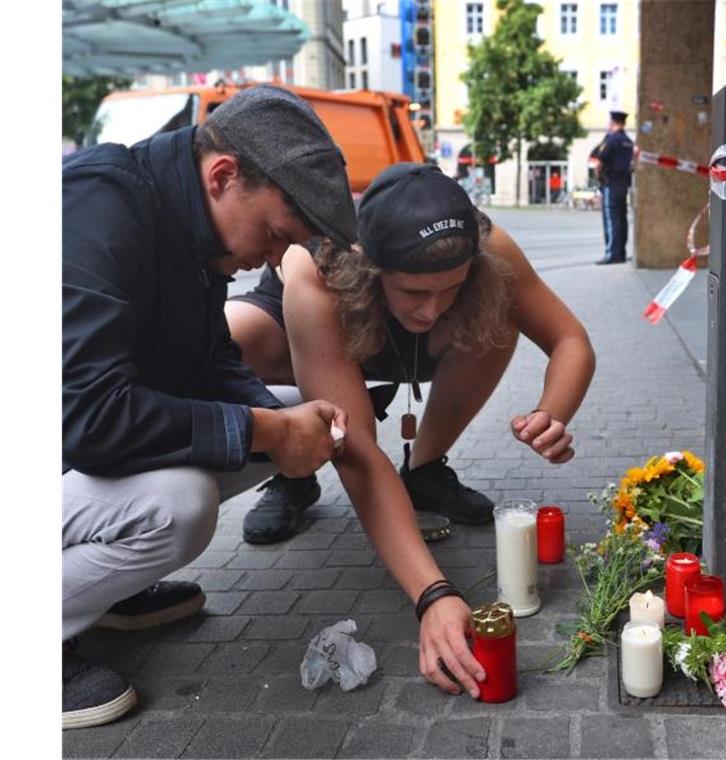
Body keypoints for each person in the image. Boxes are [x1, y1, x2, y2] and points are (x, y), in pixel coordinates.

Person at [63, 85, 351, 729]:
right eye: (278, 234)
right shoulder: (95, 208)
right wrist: (264, 429)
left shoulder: (188, 225)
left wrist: (280, 427)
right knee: (180, 507)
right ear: (222, 176)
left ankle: (106, 593)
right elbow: (86, 419)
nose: (277, 259)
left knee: (290, 408)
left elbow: (212, 363)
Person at [225, 162, 595, 554]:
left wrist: (551, 414)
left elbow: (570, 339)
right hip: (312, 331)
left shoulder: (489, 245)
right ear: (370, 267)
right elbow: (359, 448)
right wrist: (429, 588)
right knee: (231, 338)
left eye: (452, 287)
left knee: (500, 313)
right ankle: (293, 468)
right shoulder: (318, 261)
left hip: (419, 347)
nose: (431, 310)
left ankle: (424, 469)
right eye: (415, 292)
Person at [594, 110, 635, 265]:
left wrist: (598, 178)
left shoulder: (611, 140)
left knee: (611, 219)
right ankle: (621, 253)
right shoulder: (628, 141)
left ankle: (612, 254)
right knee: (621, 219)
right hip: (623, 185)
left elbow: (599, 162)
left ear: (612, 122)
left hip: (610, 184)